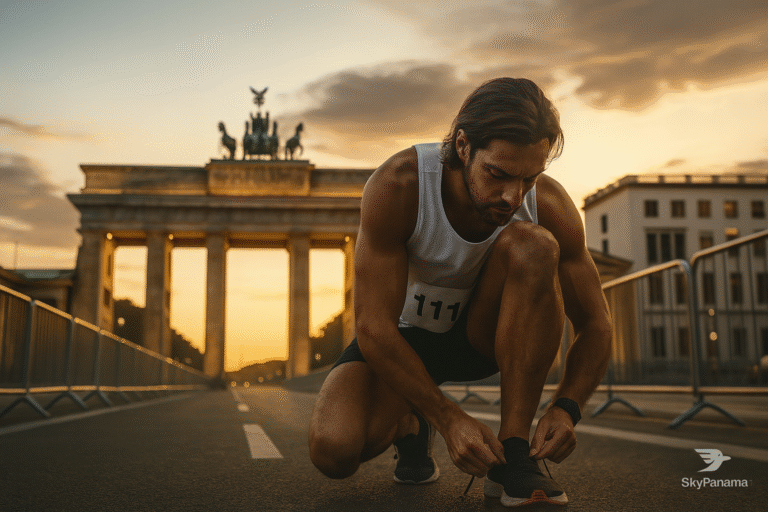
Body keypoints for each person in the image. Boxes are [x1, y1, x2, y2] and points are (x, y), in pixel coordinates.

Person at [308, 77, 612, 507]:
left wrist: (568, 407)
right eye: (499, 175)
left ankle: (515, 456)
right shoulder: (399, 185)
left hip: (480, 338)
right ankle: (413, 426)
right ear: (464, 146)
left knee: (536, 243)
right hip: (402, 341)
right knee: (333, 451)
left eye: (530, 178)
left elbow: (597, 324)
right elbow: (374, 327)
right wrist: (447, 418)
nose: (512, 196)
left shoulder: (548, 204)